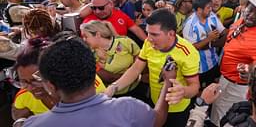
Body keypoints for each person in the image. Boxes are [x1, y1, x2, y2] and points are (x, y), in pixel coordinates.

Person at [22, 35, 169, 127]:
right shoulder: (128, 108)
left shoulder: (32, 124)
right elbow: (158, 119)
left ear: (50, 85)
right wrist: (168, 82)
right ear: (94, 75)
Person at [105, 9, 200, 126]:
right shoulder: (148, 43)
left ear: (171, 33)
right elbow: (135, 69)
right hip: (154, 102)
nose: (149, 38)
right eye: (148, 33)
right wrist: (114, 87)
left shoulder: (187, 52)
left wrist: (183, 91)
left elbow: (195, 86)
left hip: (176, 109)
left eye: (154, 34)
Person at [210, 0, 256, 126]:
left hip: (237, 87)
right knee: (217, 113)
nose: (251, 15)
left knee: (224, 119)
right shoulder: (241, 22)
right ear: (244, 7)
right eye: (250, 9)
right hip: (225, 79)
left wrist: (250, 71)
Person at [11, 38, 106, 126]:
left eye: (36, 80)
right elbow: (19, 118)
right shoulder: (24, 96)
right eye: (24, 82)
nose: (30, 87)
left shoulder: (85, 85)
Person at [80, 20, 141, 95]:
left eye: (86, 36)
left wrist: (136, 71)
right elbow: (108, 78)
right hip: (115, 94)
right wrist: (131, 76)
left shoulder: (124, 42)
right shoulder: (90, 54)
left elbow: (139, 55)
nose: (84, 40)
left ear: (97, 35)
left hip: (137, 88)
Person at [183, 0, 227, 89]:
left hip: (213, 61)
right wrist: (209, 39)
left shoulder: (212, 16)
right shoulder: (190, 25)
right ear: (199, 10)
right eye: (208, 7)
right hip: (198, 68)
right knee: (200, 91)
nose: (211, 9)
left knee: (212, 87)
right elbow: (191, 48)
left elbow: (223, 31)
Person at [82, 0, 146, 41]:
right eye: (93, 8)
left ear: (111, 4)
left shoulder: (120, 14)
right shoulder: (88, 22)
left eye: (101, 8)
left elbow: (136, 30)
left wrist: (150, 44)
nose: (97, 11)